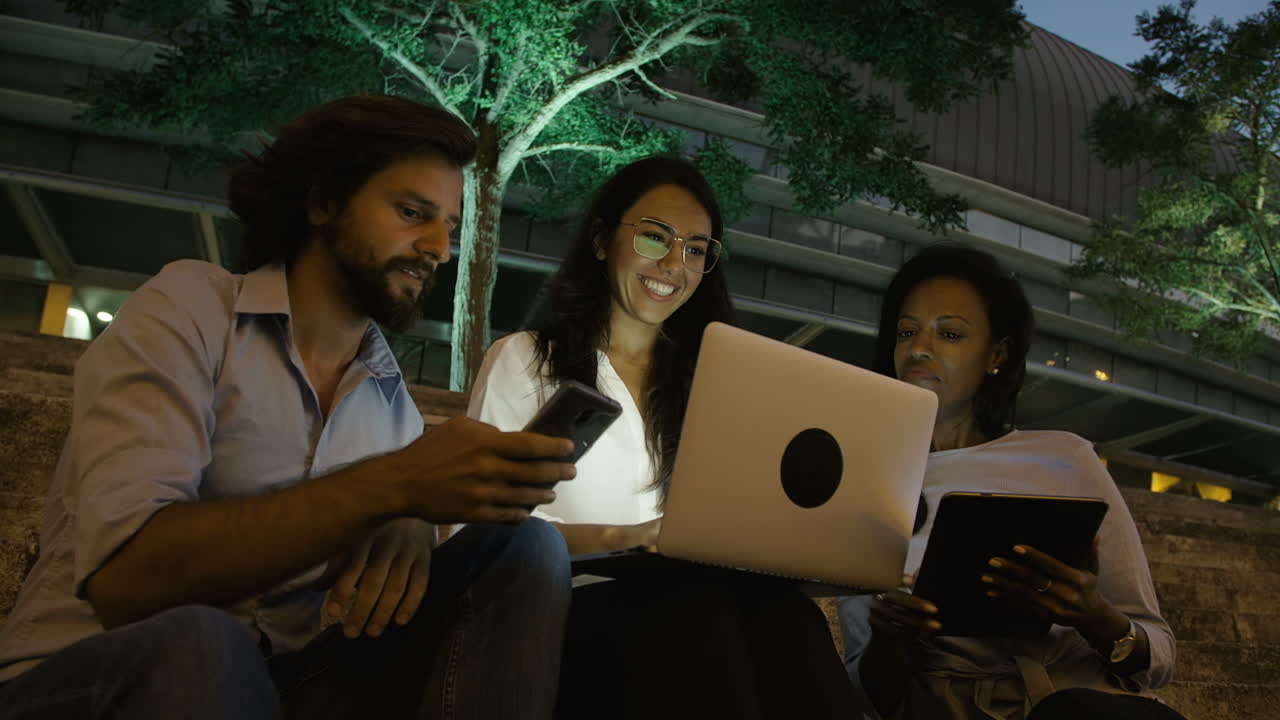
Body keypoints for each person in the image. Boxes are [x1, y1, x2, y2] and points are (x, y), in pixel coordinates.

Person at [0, 95, 576, 720]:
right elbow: (127, 584)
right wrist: (396, 486)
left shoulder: (394, 411)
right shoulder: (191, 309)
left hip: (287, 688)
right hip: (96, 675)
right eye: (413, 213)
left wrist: (413, 517)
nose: (439, 246)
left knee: (525, 550)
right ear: (324, 200)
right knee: (204, 644)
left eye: (451, 227)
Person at [468, 156, 859, 720]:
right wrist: (631, 537)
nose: (674, 264)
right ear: (602, 241)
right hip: (573, 618)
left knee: (787, 618)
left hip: (701, 610)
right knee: (690, 612)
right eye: (655, 238)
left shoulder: (717, 386)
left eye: (696, 249)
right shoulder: (528, 361)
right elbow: (480, 530)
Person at [837, 243, 1182, 720]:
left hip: (1083, 703)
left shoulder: (1067, 457)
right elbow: (865, 695)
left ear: (996, 354)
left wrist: (1092, 614)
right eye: (906, 331)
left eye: (950, 333)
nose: (919, 348)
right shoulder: (862, 483)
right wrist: (892, 639)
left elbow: (1158, 656)